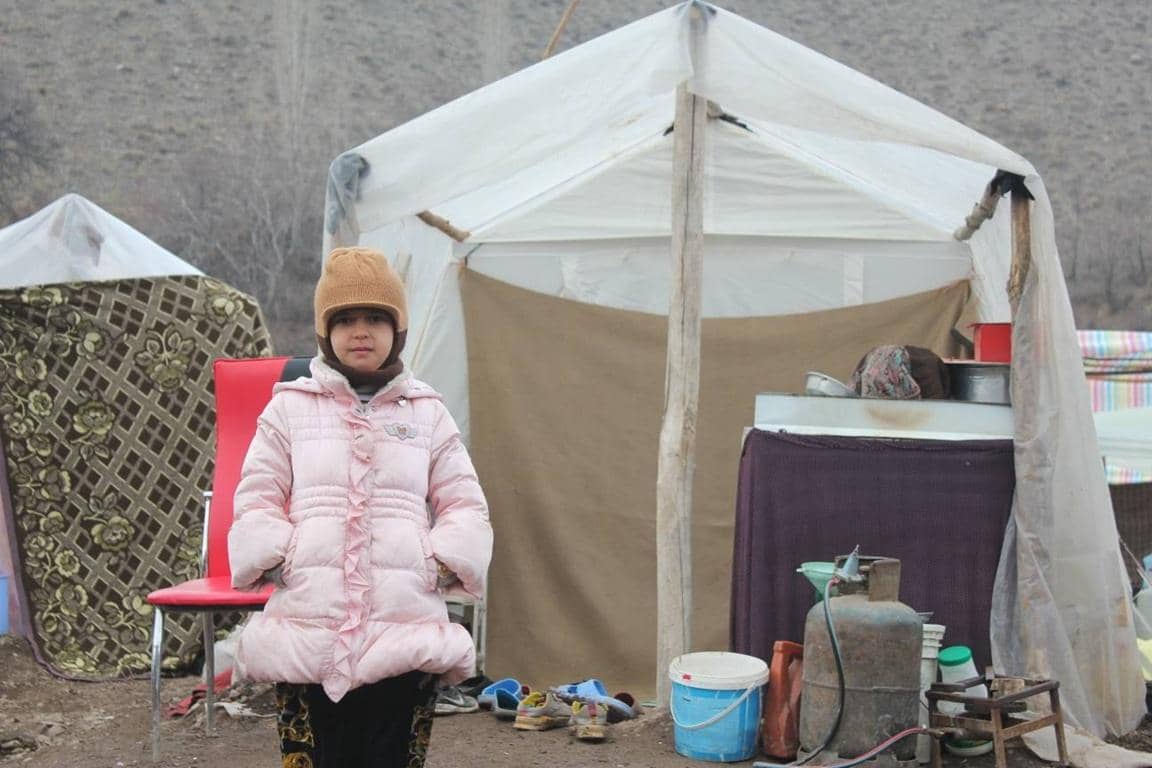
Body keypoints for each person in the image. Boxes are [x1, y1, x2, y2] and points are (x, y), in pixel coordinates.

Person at [228, 246, 493, 768]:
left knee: (390, 756)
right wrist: (283, 554)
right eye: (345, 319)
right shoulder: (289, 409)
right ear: (326, 333)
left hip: (405, 622)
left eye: (376, 317)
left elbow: (464, 502)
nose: (360, 331)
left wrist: (437, 560)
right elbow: (258, 493)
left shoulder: (426, 414)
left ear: (399, 329)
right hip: (309, 621)